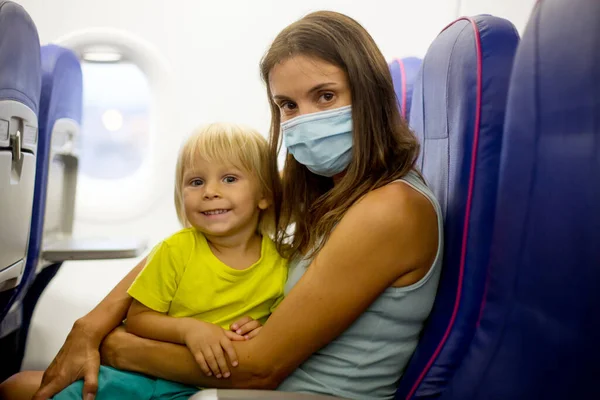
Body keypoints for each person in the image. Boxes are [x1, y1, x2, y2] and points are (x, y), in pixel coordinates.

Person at [0, 10, 443, 400]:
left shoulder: (389, 209)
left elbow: (258, 370)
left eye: (325, 96)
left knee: (20, 391)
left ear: (370, 94)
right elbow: (202, 238)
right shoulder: (328, 184)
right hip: (257, 379)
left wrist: (120, 346)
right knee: (19, 387)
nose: (304, 119)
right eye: (287, 105)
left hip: (297, 392)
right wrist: (91, 325)